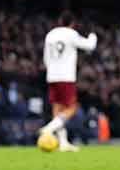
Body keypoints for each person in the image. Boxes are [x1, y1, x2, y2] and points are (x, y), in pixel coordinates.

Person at [39, 11, 97, 152]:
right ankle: (48, 129)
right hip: (66, 76)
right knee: (72, 107)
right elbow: (89, 46)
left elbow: (46, 59)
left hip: (52, 76)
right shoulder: (71, 34)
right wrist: (93, 35)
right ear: (72, 23)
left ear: (60, 21)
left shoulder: (50, 35)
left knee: (58, 109)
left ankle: (63, 143)